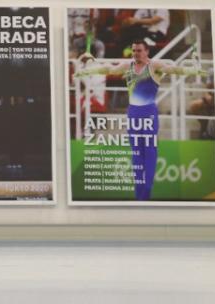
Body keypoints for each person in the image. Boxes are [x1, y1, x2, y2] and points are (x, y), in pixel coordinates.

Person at [78, 43, 202, 201]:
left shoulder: (154, 66)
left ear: (147, 52)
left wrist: (194, 69)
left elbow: (175, 70)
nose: (136, 53)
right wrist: (89, 69)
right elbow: (109, 69)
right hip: (133, 113)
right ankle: (139, 194)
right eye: (134, 50)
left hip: (149, 111)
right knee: (136, 152)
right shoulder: (127, 65)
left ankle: (148, 187)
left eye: (139, 51)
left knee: (149, 150)